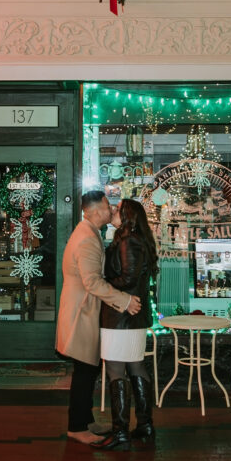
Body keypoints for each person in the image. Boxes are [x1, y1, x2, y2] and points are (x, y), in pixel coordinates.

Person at [56, 190, 141, 446]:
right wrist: (124, 301)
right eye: (107, 206)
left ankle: (85, 419)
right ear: (94, 211)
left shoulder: (89, 233)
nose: (111, 208)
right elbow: (92, 282)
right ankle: (77, 427)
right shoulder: (87, 239)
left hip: (84, 309)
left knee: (88, 369)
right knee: (84, 370)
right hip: (81, 311)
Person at [96, 198, 160, 450]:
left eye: (117, 209)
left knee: (115, 370)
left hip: (121, 316)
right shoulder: (131, 239)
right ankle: (144, 425)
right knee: (135, 367)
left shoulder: (129, 241)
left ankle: (120, 431)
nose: (112, 210)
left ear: (128, 217)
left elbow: (127, 278)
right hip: (131, 317)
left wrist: (103, 283)